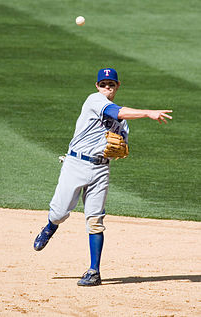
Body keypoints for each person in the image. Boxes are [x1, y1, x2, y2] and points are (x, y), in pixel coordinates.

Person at [33, 68, 172, 286]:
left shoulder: (123, 124)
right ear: (97, 86)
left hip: (100, 170)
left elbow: (121, 142)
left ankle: (94, 271)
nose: (108, 87)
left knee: (95, 220)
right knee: (60, 213)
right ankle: (51, 226)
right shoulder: (94, 100)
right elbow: (117, 112)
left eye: (112, 84)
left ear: (118, 86)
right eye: (104, 84)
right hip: (76, 165)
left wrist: (121, 147)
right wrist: (148, 112)